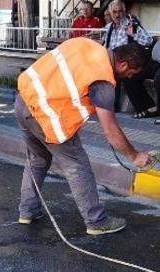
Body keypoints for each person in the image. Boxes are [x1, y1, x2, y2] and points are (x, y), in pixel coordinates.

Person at [16, 38, 151, 235]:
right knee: (77, 165)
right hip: (46, 117)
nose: (130, 77)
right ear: (122, 64)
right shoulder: (103, 78)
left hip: (23, 100)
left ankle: (27, 211)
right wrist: (134, 156)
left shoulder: (84, 44)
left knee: (37, 159)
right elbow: (110, 129)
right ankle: (96, 221)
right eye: (131, 72)